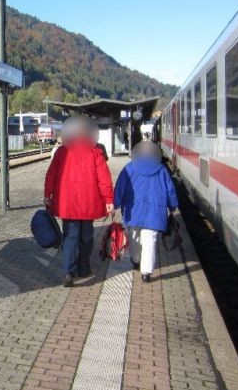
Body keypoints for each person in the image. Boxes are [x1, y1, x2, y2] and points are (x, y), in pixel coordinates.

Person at [44, 115, 114, 287]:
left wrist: (48, 195)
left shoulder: (62, 152)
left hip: (67, 203)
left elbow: (50, 176)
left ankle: (68, 271)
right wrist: (109, 200)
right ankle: (84, 268)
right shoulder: (95, 152)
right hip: (88, 203)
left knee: (70, 237)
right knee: (87, 237)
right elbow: (104, 179)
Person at [113, 141, 179, 282]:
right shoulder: (161, 170)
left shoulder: (129, 168)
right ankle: (146, 272)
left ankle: (136, 259)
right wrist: (172, 206)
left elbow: (120, 188)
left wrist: (115, 203)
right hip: (154, 212)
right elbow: (170, 190)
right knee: (150, 239)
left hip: (133, 210)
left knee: (134, 236)